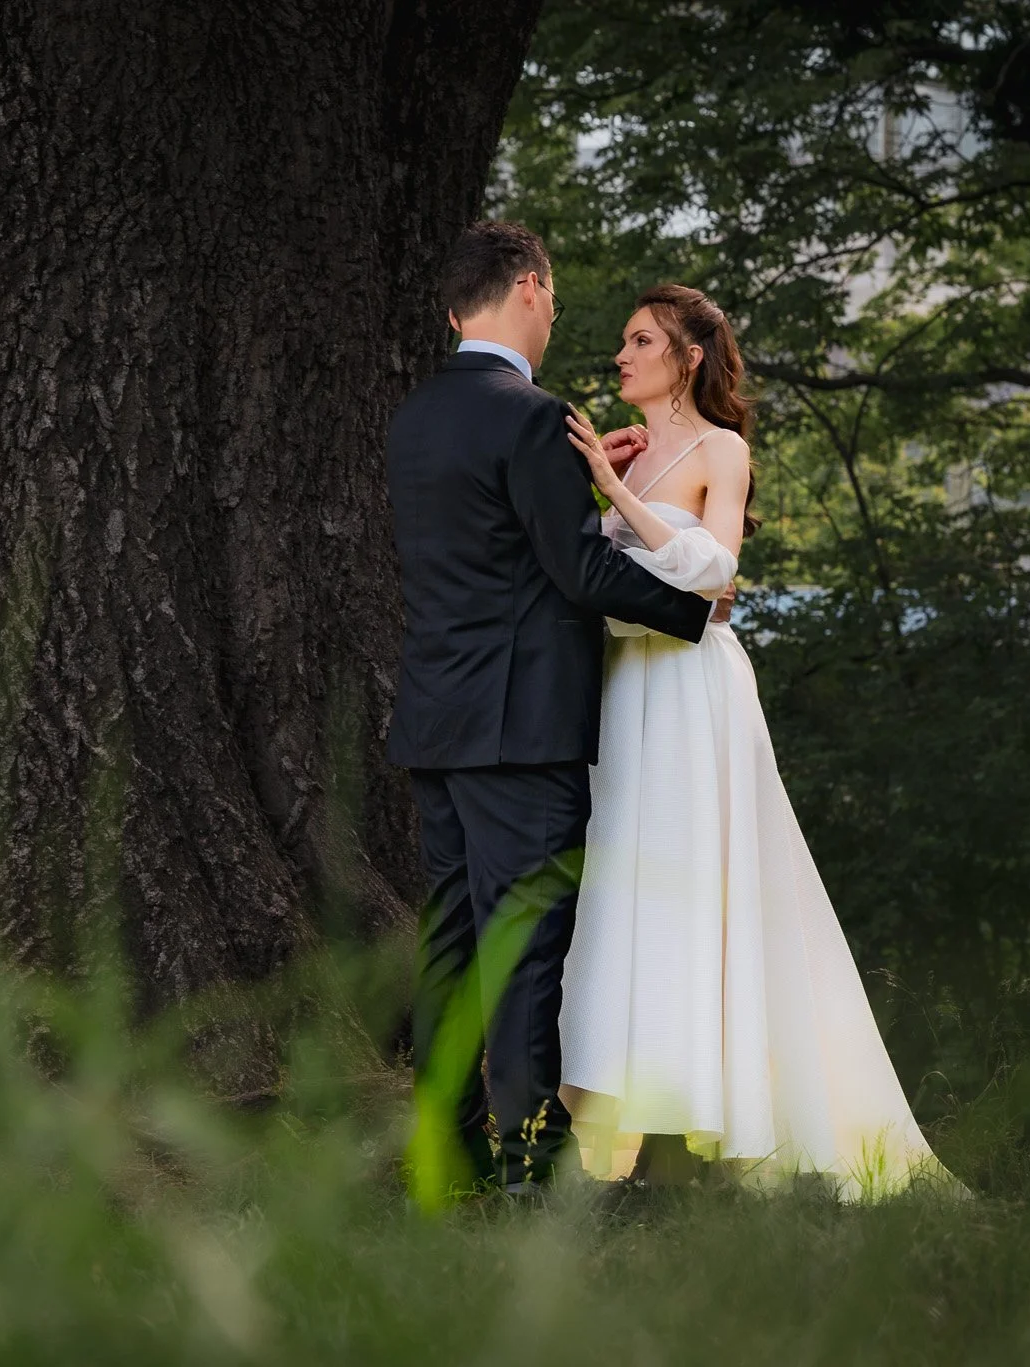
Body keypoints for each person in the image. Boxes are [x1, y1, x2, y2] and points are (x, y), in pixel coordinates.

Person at [557, 283, 952, 1199]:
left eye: (639, 339)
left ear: (686, 357)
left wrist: (616, 493)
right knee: (625, 891)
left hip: (693, 691)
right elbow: (598, 574)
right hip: (624, 690)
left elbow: (716, 572)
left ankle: (699, 1128)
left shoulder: (721, 449)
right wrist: (606, 492)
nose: (621, 355)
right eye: (623, 339)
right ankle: (627, 1118)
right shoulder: (630, 451)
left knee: (694, 883)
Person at [385, 225, 714, 1198]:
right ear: (528, 289)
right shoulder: (528, 416)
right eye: (555, 298)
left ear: (456, 308)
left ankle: (444, 1157)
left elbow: (490, 547)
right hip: (519, 726)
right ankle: (534, 1172)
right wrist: (694, 610)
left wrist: (575, 477)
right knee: (526, 946)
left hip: (438, 716)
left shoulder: (417, 416)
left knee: (448, 943)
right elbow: (574, 568)